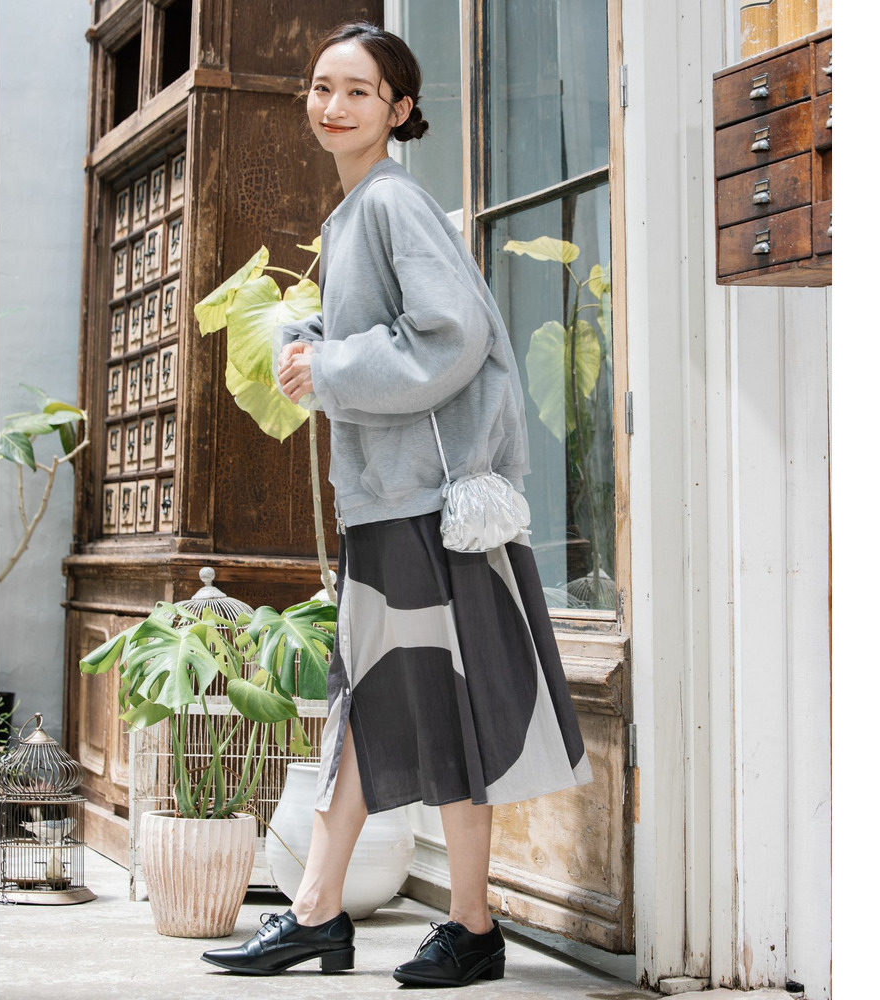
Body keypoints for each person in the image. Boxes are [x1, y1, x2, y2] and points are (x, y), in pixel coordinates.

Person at [201, 21, 593, 988]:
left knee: (441, 701)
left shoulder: (390, 202)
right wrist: (309, 340)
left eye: (358, 91)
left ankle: (468, 923)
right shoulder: (356, 211)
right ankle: (320, 911)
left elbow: (451, 334)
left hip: (425, 509)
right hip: (388, 506)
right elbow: (380, 330)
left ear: (399, 108)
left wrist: (330, 365)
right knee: (371, 700)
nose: (332, 106)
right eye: (321, 87)